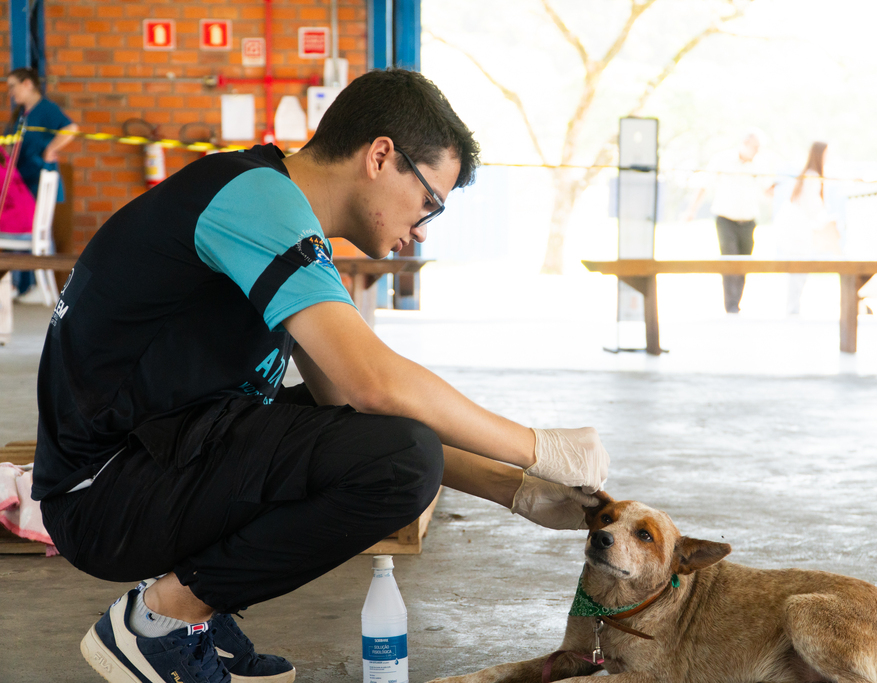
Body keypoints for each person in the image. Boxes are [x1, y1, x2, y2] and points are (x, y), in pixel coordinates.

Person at [33, 68, 610, 683]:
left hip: (146, 461)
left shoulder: (272, 203)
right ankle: (162, 620)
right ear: (381, 156)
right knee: (401, 460)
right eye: (428, 204)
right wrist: (539, 447)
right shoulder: (257, 202)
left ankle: (195, 614)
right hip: (104, 495)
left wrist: (514, 489)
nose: (419, 230)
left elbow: (352, 408)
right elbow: (373, 384)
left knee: (372, 438)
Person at [4, 67, 78, 301]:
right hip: (22, 183)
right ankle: (16, 285)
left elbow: (71, 128)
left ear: (28, 84)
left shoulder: (45, 109)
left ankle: (38, 285)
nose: (11, 92)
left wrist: (50, 149)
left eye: (13, 86)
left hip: (37, 181)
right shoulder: (21, 115)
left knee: (40, 232)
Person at [685, 130, 775, 313]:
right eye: (754, 147)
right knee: (729, 259)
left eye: (759, 148)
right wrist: (691, 210)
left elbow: (769, 191)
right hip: (726, 219)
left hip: (748, 220)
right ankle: (730, 304)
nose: (757, 151)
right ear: (745, 144)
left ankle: (736, 301)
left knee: (744, 262)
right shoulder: (722, 160)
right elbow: (704, 185)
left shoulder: (759, 165)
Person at [775, 141, 839, 315]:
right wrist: (826, 218)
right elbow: (811, 205)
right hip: (796, 228)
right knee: (798, 269)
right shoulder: (812, 176)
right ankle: (792, 309)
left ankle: (793, 308)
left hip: (800, 227)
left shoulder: (812, 175)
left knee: (800, 269)